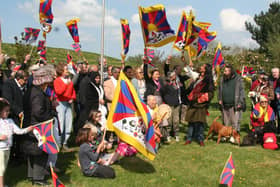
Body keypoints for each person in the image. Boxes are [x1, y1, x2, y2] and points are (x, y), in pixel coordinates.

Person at [22, 66, 56, 186]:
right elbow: (38, 112)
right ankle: (38, 178)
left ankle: (32, 175)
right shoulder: (38, 94)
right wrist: (51, 115)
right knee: (40, 152)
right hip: (38, 127)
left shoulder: (31, 90)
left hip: (31, 125)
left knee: (33, 152)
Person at [0, 98, 33, 187]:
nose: (7, 113)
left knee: (4, 168)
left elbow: (18, 131)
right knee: (1, 169)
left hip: (7, 149)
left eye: (8, 111)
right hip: (1, 149)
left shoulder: (10, 121)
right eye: (5, 111)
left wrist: (28, 129)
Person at [184, 63, 214, 146]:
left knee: (200, 123)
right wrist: (185, 62)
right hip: (193, 102)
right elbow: (189, 71)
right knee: (191, 122)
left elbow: (211, 92)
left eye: (203, 66)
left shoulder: (208, 80)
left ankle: (200, 139)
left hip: (201, 104)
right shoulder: (197, 77)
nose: (201, 67)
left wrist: (202, 98)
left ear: (206, 69)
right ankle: (189, 138)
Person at [2, 70, 28, 162]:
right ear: (18, 79)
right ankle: (13, 157)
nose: (25, 82)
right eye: (24, 80)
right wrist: (18, 111)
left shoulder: (24, 86)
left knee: (20, 136)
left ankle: (20, 154)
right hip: (12, 115)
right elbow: (9, 100)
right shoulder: (8, 85)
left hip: (21, 115)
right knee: (13, 136)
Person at [53, 62, 76, 149]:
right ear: (61, 71)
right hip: (60, 103)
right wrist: (66, 85)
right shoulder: (57, 81)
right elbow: (59, 92)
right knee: (61, 122)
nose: (67, 71)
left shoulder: (69, 80)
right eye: (66, 69)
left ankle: (65, 141)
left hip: (68, 103)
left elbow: (73, 91)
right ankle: (58, 141)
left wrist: (72, 98)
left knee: (68, 122)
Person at [218, 64, 246, 133]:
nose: (224, 72)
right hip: (224, 104)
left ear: (230, 72)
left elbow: (241, 91)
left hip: (234, 104)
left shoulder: (237, 79)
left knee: (234, 122)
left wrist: (240, 102)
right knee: (225, 121)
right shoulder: (222, 79)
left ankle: (234, 135)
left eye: (226, 71)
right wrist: (219, 99)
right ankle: (226, 134)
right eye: (224, 71)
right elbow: (219, 90)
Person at [161, 71, 180, 142]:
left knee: (176, 120)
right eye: (173, 75)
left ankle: (176, 134)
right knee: (169, 120)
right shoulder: (166, 85)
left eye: (175, 75)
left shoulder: (177, 83)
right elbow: (162, 92)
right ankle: (168, 134)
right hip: (169, 104)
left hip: (176, 104)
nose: (174, 76)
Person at [269, 67, 280, 133]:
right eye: (273, 72)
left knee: (279, 115)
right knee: (272, 115)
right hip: (272, 100)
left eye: (275, 72)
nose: (274, 74)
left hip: (278, 100)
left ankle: (279, 129)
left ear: (278, 73)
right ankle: (272, 129)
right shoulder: (270, 80)